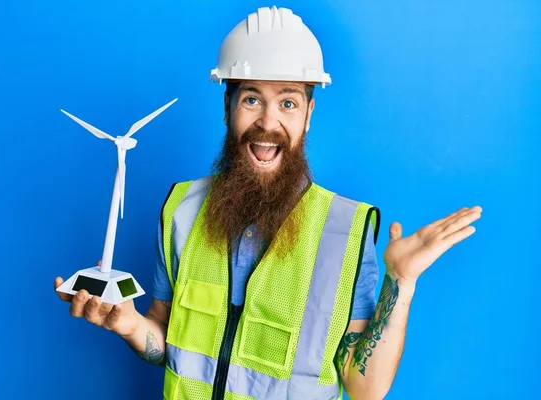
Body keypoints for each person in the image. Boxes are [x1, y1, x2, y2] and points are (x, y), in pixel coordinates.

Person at [55, 6, 482, 399]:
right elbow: (169, 343)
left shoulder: (344, 232)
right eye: (252, 98)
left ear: (308, 115)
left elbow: (364, 386)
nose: (268, 122)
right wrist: (130, 326)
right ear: (228, 108)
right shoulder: (182, 211)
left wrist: (400, 282)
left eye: (288, 102)